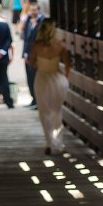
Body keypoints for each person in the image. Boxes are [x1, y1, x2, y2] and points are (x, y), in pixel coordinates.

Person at [29, 19, 71, 154]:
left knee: (44, 111)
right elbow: (68, 65)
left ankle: (49, 143)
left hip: (42, 78)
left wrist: (38, 65)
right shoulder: (60, 45)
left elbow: (31, 62)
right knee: (57, 111)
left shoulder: (36, 45)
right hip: (57, 79)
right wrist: (65, 77)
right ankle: (58, 142)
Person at [21, 1, 45, 108]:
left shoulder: (43, 21)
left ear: (38, 10)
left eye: (35, 10)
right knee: (30, 78)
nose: (33, 12)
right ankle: (34, 99)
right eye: (31, 10)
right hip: (28, 55)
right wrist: (25, 54)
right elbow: (26, 39)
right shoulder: (27, 20)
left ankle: (40, 102)